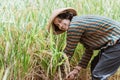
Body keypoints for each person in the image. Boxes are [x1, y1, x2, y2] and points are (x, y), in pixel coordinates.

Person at [47, 7, 120, 80]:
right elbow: (89, 50)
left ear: (67, 17)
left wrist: (60, 73)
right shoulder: (78, 23)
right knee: (95, 64)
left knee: (98, 74)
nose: (60, 26)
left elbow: (68, 52)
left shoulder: (74, 26)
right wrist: (76, 70)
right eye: (57, 25)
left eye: (60, 21)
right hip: (114, 44)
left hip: (117, 42)